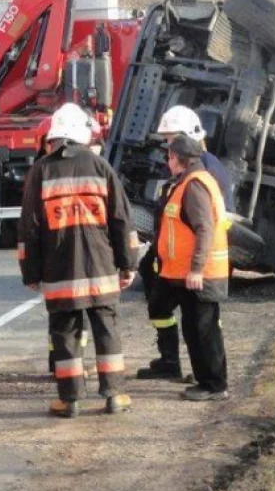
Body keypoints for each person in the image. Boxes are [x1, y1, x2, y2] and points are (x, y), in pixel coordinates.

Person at [18, 103, 141, 417]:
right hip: (101, 269)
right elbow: (121, 220)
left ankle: (69, 400)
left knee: (65, 333)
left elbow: (29, 229)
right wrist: (128, 264)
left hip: (60, 273)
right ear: (82, 135)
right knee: (106, 329)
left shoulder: (41, 171)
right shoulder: (101, 167)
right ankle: (114, 395)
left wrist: (30, 272)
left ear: (56, 136)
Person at [136, 105, 232, 381]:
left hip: (196, 262)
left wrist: (196, 266)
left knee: (203, 322)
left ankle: (206, 374)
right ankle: (173, 361)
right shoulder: (193, 170)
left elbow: (205, 223)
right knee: (163, 306)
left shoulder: (202, 172)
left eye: (171, 141)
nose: (167, 148)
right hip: (178, 260)